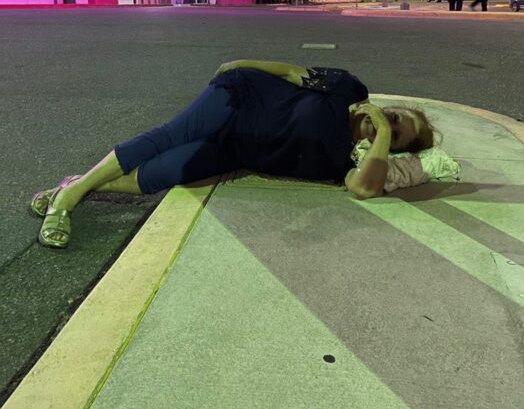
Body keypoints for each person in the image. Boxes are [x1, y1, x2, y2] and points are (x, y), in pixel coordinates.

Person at [31, 60, 438, 248]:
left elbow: (364, 190)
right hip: (240, 99)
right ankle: (67, 199)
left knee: (159, 177)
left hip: (234, 150)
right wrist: (240, 64)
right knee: (169, 136)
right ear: (393, 103)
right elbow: (291, 73)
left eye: (398, 134)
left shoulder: (349, 161)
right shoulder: (349, 88)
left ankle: (74, 185)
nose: (391, 122)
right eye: (397, 116)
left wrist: (382, 133)